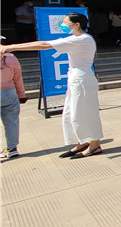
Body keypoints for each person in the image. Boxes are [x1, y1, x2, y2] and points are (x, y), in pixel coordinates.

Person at [1, 13, 104, 159]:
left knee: (86, 112)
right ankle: (83, 141)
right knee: (73, 112)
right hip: (76, 78)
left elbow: (45, 45)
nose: (63, 25)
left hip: (82, 80)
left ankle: (95, 145)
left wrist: (11, 47)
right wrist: (11, 47)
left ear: (76, 24)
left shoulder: (82, 39)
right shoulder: (76, 38)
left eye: (65, 22)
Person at [1, 37, 26, 159]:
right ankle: (12, 148)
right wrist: (21, 94)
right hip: (9, 93)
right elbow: (18, 78)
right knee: (11, 122)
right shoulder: (11, 58)